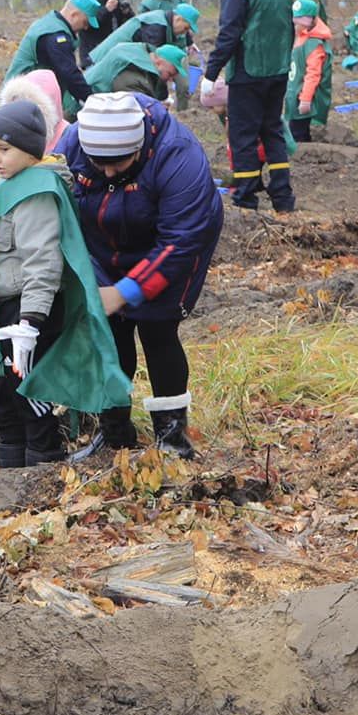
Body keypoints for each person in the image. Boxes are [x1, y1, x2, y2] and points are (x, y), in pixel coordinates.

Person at [57, 93, 224, 461]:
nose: (109, 172)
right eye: (100, 164)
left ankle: (172, 437)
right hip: (103, 241)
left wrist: (127, 290)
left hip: (168, 246)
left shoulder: (178, 156)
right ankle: (114, 433)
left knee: (157, 329)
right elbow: (53, 196)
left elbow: (180, 240)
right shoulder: (73, 143)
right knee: (110, 330)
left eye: (119, 163)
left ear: (140, 146)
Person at [0, 100, 131, 468]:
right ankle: (8, 468)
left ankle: (43, 463)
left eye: (4, 150)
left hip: (27, 309)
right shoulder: (9, 184)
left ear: (29, 149)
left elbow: (42, 262)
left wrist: (30, 324)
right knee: (1, 392)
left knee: (28, 391)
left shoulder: (36, 191)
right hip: (4, 305)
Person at [201, 0, 296, 213]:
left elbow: (229, 32)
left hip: (247, 72)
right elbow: (288, 28)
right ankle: (282, 197)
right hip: (277, 71)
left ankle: (245, 198)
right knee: (272, 131)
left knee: (243, 136)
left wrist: (211, 72)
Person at [7, 0, 102, 119]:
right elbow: (69, 73)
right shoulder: (56, 35)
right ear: (74, 15)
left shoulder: (51, 22)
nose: (85, 27)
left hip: (30, 93)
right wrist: (93, 101)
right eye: (85, 22)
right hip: (22, 99)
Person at [87, 3, 200, 65]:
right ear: (179, 19)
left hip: (116, 57)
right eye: (186, 28)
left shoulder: (163, 20)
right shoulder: (157, 28)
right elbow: (151, 62)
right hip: (101, 59)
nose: (185, 33)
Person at [286, 0, 334, 142]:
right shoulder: (301, 37)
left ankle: (303, 155)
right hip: (294, 95)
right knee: (292, 128)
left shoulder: (314, 45)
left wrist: (305, 100)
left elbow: (313, 75)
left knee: (299, 134)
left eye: (299, 23)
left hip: (304, 99)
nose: (296, 27)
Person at [88, 40, 187, 101]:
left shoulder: (139, 56)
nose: (170, 80)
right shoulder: (135, 74)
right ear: (159, 61)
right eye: (170, 74)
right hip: (84, 105)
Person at [78, 0, 133, 66]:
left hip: (113, 55)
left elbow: (126, 27)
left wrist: (127, 13)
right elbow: (85, 25)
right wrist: (106, 10)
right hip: (92, 56)